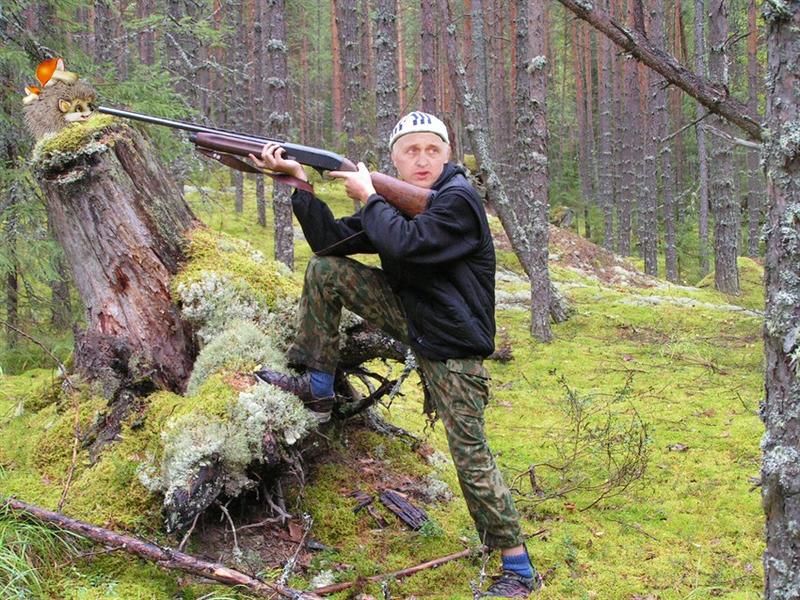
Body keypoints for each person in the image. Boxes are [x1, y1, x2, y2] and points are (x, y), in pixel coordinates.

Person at [249, 111, 543, 597]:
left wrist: (370, 197)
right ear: (395, 160)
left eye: (432, 150)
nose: (422, 159)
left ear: (447, 155)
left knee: (470, 456)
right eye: (411, 151)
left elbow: (407, 245)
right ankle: (318, 386)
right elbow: (330, 242)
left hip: (452, 345)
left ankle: (519, 568)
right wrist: (300, 184)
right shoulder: (394, 204)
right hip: (414, 319)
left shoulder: (458, 200)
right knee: (325, 270)